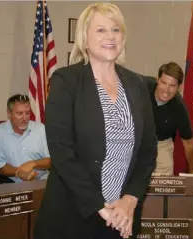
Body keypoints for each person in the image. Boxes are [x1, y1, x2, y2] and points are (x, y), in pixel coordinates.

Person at [34, 2, 157, 239]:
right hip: (73, 216)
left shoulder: (139, 85)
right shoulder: (66, 81)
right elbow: (62, 152)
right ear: (84, 37)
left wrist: (129, 200)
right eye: (100, 30)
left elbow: (148, 150)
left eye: (116, 29)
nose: (110, 36)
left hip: (122, 219)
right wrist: (100, 208)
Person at [143, 62, 193, 175]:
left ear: (179, 87)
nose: (166, 90)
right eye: (164, 83)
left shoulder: (179, 107)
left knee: (164, 185)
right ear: (158, 79)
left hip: (162, 144)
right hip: (138, 139)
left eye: (172, 85)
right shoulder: (142, 86)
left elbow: (188, 144)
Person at [0, 94, 51, 183]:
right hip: (13, 183)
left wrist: (33, 164)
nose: (24, 118)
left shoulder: (40, 129)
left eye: (27, 113)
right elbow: (0, 166)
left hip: (43, 181)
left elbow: (50, 160)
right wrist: (21, 173)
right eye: (19, 113)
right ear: (9, 113)